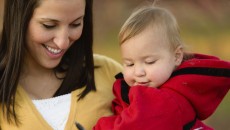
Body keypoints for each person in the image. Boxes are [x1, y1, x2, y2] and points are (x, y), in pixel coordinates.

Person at [93, 5, 230, 130]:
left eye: (150, 62)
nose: (138, 72)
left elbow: (130, 126)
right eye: (130, 64)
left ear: (176, 57)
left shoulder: (166, 101)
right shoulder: (158, 89)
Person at [0, 0, 122, 130]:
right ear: (18, 18)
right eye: (49, 25)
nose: (62, 43)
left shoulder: (113, 75)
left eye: (76, 24)